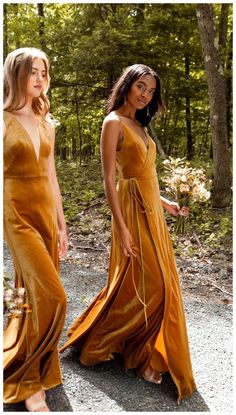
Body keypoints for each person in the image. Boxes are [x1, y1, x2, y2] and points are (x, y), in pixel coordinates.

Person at [60, 64, 196, 402]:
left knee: (157, 282)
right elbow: (111, 179)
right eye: (141, 86)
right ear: (127, 86)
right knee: (151, 283)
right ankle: (103, 342)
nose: (145, 94)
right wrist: (121, 227)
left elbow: (146, 177)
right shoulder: (114, 123)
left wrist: (169, 205)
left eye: (151, 91)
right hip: (131, 213)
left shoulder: (140, 125)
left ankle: (148, 354)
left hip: (154, 213)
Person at [3, 47, 67, 412]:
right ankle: (27, 380)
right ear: (16, 75)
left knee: (24, 294)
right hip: (15, 215)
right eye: (32, 72)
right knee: (53, 296)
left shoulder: (47, 122)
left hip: (45, 214)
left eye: (44, 71)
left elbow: (51, 177)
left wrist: (61, 224)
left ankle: (36, 358)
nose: (40, 78)